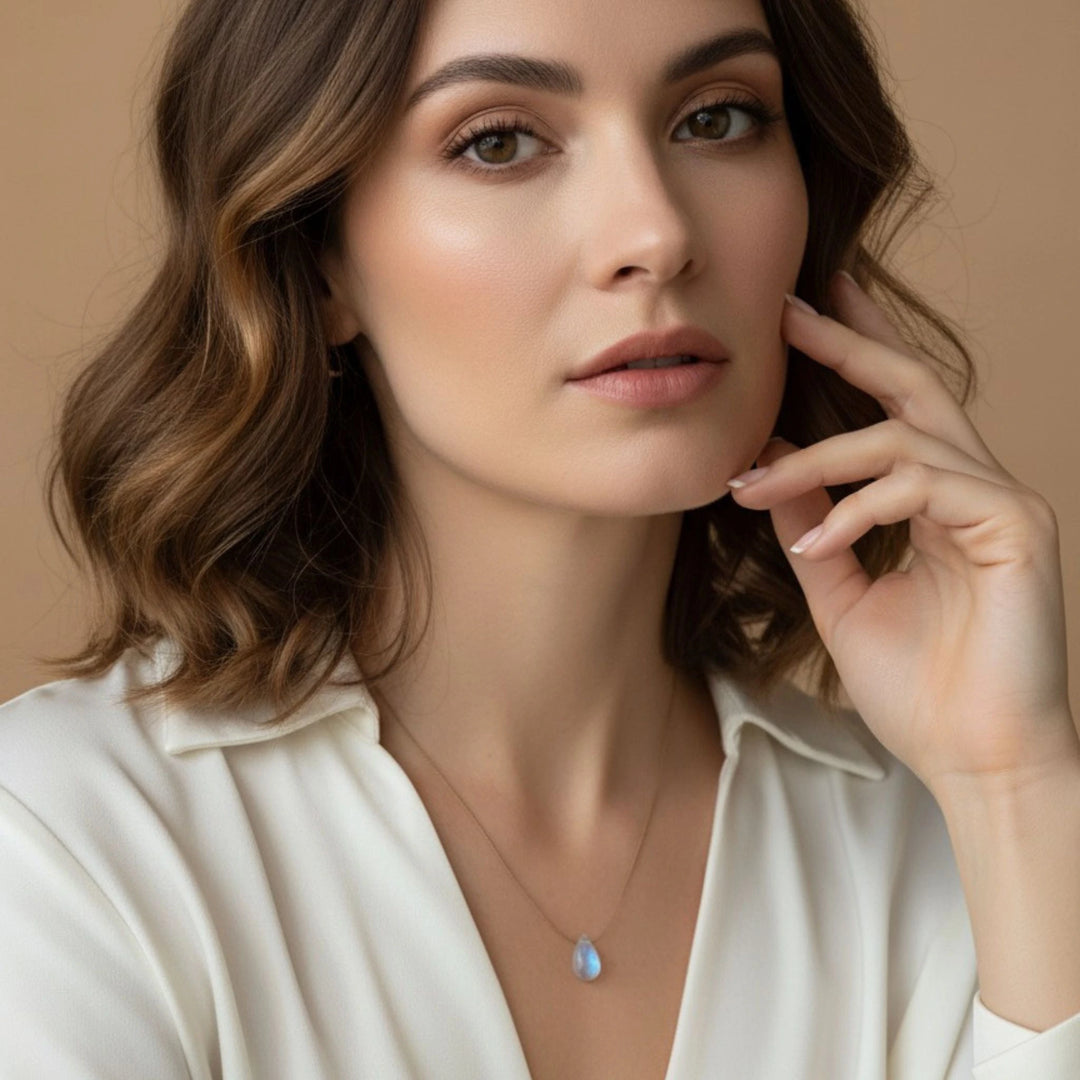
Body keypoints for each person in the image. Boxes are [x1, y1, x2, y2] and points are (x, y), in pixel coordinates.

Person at [1, 0, 1078, 1075]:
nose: (655, 233)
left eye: (717, 119)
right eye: (499, 141)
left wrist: (1013, 788)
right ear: (318, 258)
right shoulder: (67, 841)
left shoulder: (956, 851)